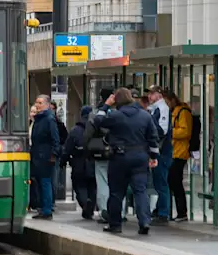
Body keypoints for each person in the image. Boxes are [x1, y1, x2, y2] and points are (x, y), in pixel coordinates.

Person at [88, 88, 160, 235]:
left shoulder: (116, 116)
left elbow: (97, 121)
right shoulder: (145, 116)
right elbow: (153, 138)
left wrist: (106, 105)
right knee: (140, 191)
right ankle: (144, 221)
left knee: (116, 192)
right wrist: (153, 157)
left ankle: (115, 224)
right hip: (140, 157)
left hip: (119, 157)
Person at [86, 87, 120, 223]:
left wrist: (87, 148)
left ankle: (105, 210)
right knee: (117, 183)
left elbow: (89, 131)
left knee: (102, 181)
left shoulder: (96, 112)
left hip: (101, 151)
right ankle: (119, 211)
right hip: (117, 151)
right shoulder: (120, 112)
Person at [62, 106, 98, 219]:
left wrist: (63, 161)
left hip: (78, 163)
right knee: (93, 186)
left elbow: (67, 149)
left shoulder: (75, 130)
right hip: (93, 162)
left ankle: (85, 203)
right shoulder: (96, 128)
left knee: (80, 186)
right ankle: (90, 206)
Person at [29, 95, 61, 219]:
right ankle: (42, 208)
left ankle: (47, 209)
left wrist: (54, 154)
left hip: (45, 156)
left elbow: (55, 138)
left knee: (45, 182)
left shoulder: (49, 118)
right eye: (36, 102)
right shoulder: (39, 119)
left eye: (40, 103)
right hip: (37, 155)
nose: (37, 105)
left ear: (47, 105)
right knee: (40, 183)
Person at [146, 86, 173, 225]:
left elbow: (161, 130)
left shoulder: (162, 109)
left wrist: (150, 122)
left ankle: (163, 212)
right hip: (160, 151)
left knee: (161, 182)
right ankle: (159, 209)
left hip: (162, 151)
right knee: (158, 181)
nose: (149, 96)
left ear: (159, 95)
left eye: (152, 93)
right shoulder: (154, 109)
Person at [168, 91, 193, 221]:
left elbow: (185, 131)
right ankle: (175, 211)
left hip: (180, 152)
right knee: (172, 181)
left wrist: (170, 132)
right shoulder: (174, 111)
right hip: (173, 151)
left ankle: (182, 212)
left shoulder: (182, 111)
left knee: (175, 182)